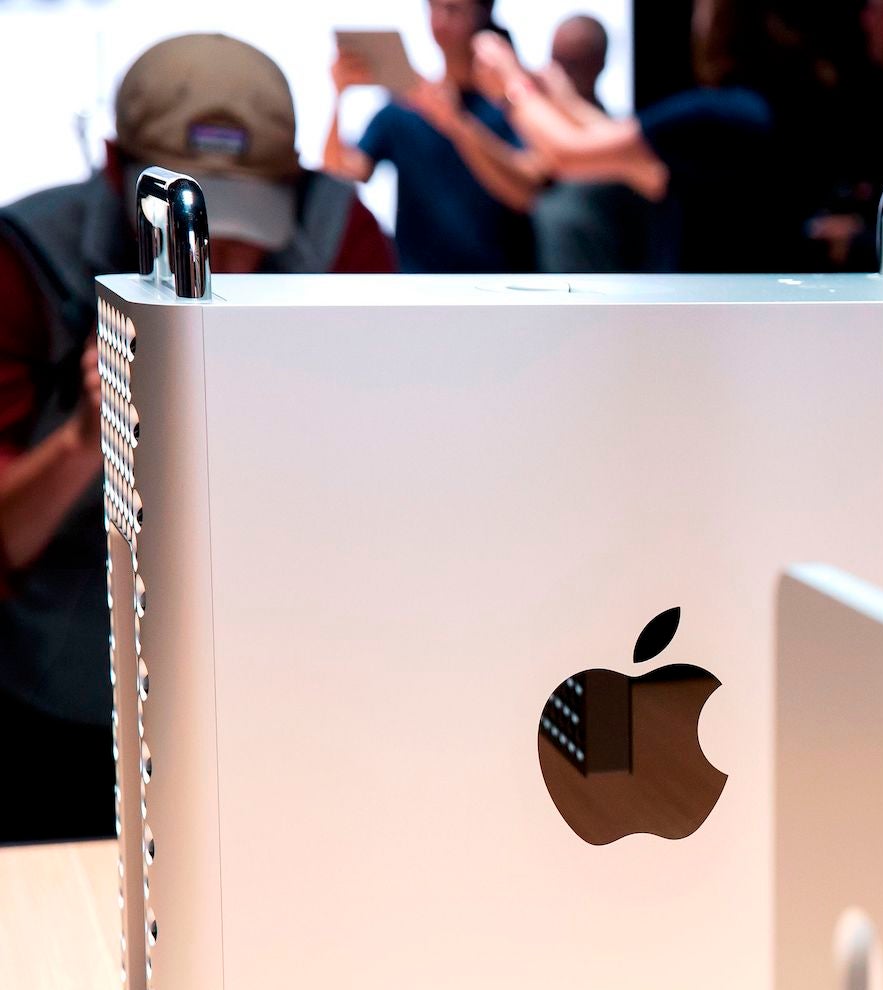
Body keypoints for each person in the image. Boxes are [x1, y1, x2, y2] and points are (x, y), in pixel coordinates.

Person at [0, 34, 393, 844]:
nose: (229, 261)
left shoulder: (342, 242)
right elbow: (9, 536)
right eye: (195, 225)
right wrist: (84, 434)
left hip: (290, 689)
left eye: (250, 221)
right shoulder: (25, 263)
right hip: (73, 715)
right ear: (115, 172)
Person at [472, 25, 789, 272]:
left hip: (710, 319)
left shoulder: (720, 114)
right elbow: (601, 140)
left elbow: (566, 154)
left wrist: (513, 85)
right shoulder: (755, 110)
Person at [325, 0, 538, 272]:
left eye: (453, 9)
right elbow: (338, 174)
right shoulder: (403, 110)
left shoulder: (510, 105)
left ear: (481, 14)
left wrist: (455, 124)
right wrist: (338, 96)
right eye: (434, 8)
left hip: (501, 289)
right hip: (420, 291)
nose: (439, 21)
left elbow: (526, 193)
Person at [529, 15, 651, 272]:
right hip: (545, 291)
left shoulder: (621, 137)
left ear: (600, 63)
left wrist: (517, 93)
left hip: (611, 295)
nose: (559, 74)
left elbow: (564, 154)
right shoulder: (537, 131)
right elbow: (525, 176)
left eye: (572, 63)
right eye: (556, 60)